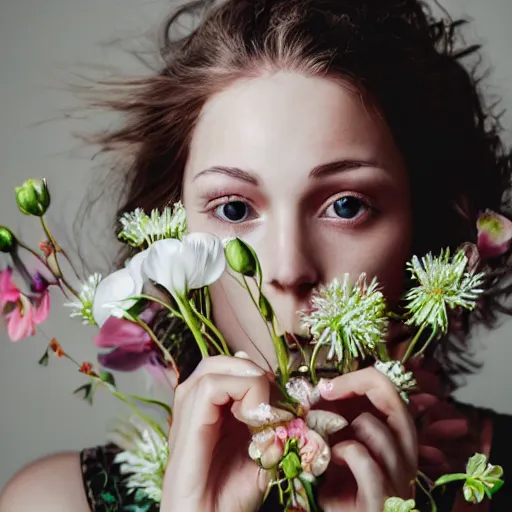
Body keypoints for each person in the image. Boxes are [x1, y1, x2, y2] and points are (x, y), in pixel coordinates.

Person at [1, 0, 512, 510]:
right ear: (173, 234)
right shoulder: (55, 501)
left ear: (428, 228)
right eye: (235, 209)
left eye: (347, 205)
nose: (290, 271)